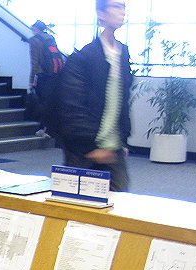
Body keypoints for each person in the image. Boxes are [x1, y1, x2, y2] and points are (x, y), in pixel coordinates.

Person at [57, 0, 132, 191]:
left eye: (123, 7)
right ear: (101, 14)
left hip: (112, 147)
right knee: (80, 209)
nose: (121, 11)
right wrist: (91, 146)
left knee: (119, 206)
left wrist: (122, 139)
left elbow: (122, 102)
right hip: (84, 149)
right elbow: (71, 107)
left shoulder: (122, 53)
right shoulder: (84, 58)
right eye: (116, 6)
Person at [28, 20, 66, 134]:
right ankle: (50, 129)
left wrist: (31, 79)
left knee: (42, 102)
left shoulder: (34, 40)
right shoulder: (50, 38)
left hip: (42, 75)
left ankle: (42, 128)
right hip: (54, 74)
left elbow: (34, 61)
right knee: (50, 101)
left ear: (35, 29)